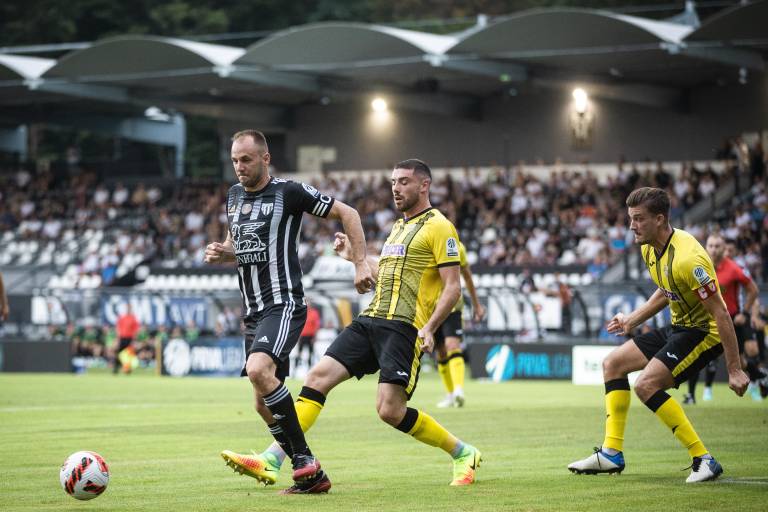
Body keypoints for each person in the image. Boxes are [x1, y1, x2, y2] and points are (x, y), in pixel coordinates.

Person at [222, 159, 482, 492]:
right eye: (393, 181)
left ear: (424, 185)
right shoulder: (399, 227)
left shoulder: (440, 226)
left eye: (404, 181)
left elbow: (453, 287)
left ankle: (463, 453)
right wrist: (353, 257)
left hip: (404, 327)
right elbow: (387, 272)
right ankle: (273, 459)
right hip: (371, 319)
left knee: (390, 410)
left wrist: (430, 328)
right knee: (317, 378)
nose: (396, 188)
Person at [205, 130, 374, 495]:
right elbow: (239, 243)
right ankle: (311, 474)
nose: (239, 167)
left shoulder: (289, 192)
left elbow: (348, 213)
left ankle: (303, 461)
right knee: (261, 403)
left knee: (258, 370)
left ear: (265, 159)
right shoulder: (234, 196)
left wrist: (361, 263)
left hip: (283, 303)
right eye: (234, 160)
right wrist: (224, 253)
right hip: (252, 311)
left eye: (246, 159)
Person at [567, 187, 749, 483]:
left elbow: (721, 313)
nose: (632, 226)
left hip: (705, 333)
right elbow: (667, 290)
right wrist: (632, 320)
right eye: (631, 218)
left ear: (660, 219)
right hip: (678, 327)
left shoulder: (689, 259)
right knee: (612, 364)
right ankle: (611, 454)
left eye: (639, 218)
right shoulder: (649, 248)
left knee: (646, 385)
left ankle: (703, 459)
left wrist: (735, 368)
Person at [684, 234, 766, 403]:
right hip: (706, 318)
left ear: (724, 249)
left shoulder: (734, 268)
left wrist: (745, 313)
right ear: (706, 247)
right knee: (695, 353)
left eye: (717, 246)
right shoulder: (699, 265)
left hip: (730, 320)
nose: (713, 250)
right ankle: (692, 395)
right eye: (711, 246)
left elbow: (753, 290)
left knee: (740, 362)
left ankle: (761, 376)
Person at [435, 240, 486, 408]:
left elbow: (467, 276)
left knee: (452, 345)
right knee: (441, 352)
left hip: (453, 305)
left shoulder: (457, 246)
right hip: (431, 307)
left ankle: (458, 390)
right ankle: (450, 394)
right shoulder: (428, 242)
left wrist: (477, 305)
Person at [294, 298, 320, 371]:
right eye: (306, 302)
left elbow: (316, 325)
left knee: (310, 353)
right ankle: (295, 369)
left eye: (309, 302)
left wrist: (315, 337)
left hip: (310, 336)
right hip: (302, 336)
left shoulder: (314, 313)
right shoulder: (302, 312)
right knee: (299, 352)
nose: (308, 304)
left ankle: (310, 369)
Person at [114, 304, 140, 374]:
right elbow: (118, 329)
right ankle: (116, 368)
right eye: (127, 308)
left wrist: (134, 340)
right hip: (122, 338)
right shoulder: (122, 318)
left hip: (129, 338)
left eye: (129, 308)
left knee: (129, 355)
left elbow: (135, 330)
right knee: (119, 354)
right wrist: (118, 339)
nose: (128, 309)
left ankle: (127, 369)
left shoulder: (133, 318)